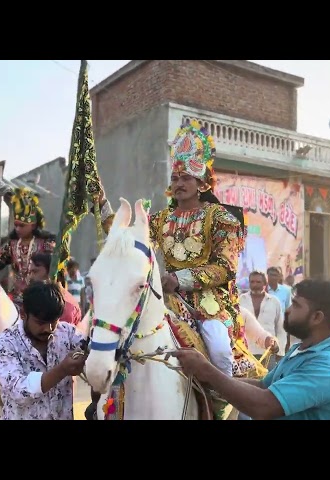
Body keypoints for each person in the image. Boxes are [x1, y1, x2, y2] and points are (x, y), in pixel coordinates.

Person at [91, 120, 255, 418]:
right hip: (166, 300)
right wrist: (100, 200)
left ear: (202, 182)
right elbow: (126, 236)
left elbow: (225, 267)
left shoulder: (222, 218)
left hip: (210, 305)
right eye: (176, 177)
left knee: (219, 349)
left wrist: (179, 278)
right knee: (124, 335)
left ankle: (219, 407)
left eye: (187, 178)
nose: (179, 183)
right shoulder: (160, 218)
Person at [172, 278, 330, 420]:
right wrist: (210, 381)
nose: (287, 310)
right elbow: (263, 386)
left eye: (296, 305)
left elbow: (263, 406)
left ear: (317, 317)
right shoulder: (302, 349)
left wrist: (208, 371)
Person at [0, 282, 86, 420]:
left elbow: (93, 351)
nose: (49, 328)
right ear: (23, 314)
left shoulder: (67, 332)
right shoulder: (2, 344)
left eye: (54, 321)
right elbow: (20, 392)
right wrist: (63, 369)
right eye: (41, 323)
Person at [0, 188, 55, 307]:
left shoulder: (46, 244)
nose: (17, 229)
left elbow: (55, 268)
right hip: (16, 300)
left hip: (42, 297)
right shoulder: (11, 245)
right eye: (16, 225)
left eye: (22, 226)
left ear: (33, 225)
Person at [29, 252, 82, 325]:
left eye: (35, 271)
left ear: (51, 272)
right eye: (30, 272)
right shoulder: (36, 298)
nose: (31, 277)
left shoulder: (67, 306)